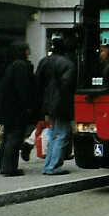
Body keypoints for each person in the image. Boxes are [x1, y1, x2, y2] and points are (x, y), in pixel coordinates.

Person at [0, 40, 38, 176]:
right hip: (17, 108)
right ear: (23, 50)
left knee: (8, 136)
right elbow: (23, 88)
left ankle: (2, 164)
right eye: (27, 48)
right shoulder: (21, 66)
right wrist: (28, 106)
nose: (29, 50)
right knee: (15, 136)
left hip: (8, 107)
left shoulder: (12, 65)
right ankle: (9, 168)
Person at [36, 35, 76, 175]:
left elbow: (38, 83)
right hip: (61, 103)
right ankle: (53, 166)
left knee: (53, 134)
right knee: (62, 134)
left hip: (48, 104)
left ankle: (48, 166)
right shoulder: (67, 64)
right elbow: (67, 86)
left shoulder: (44, 62)